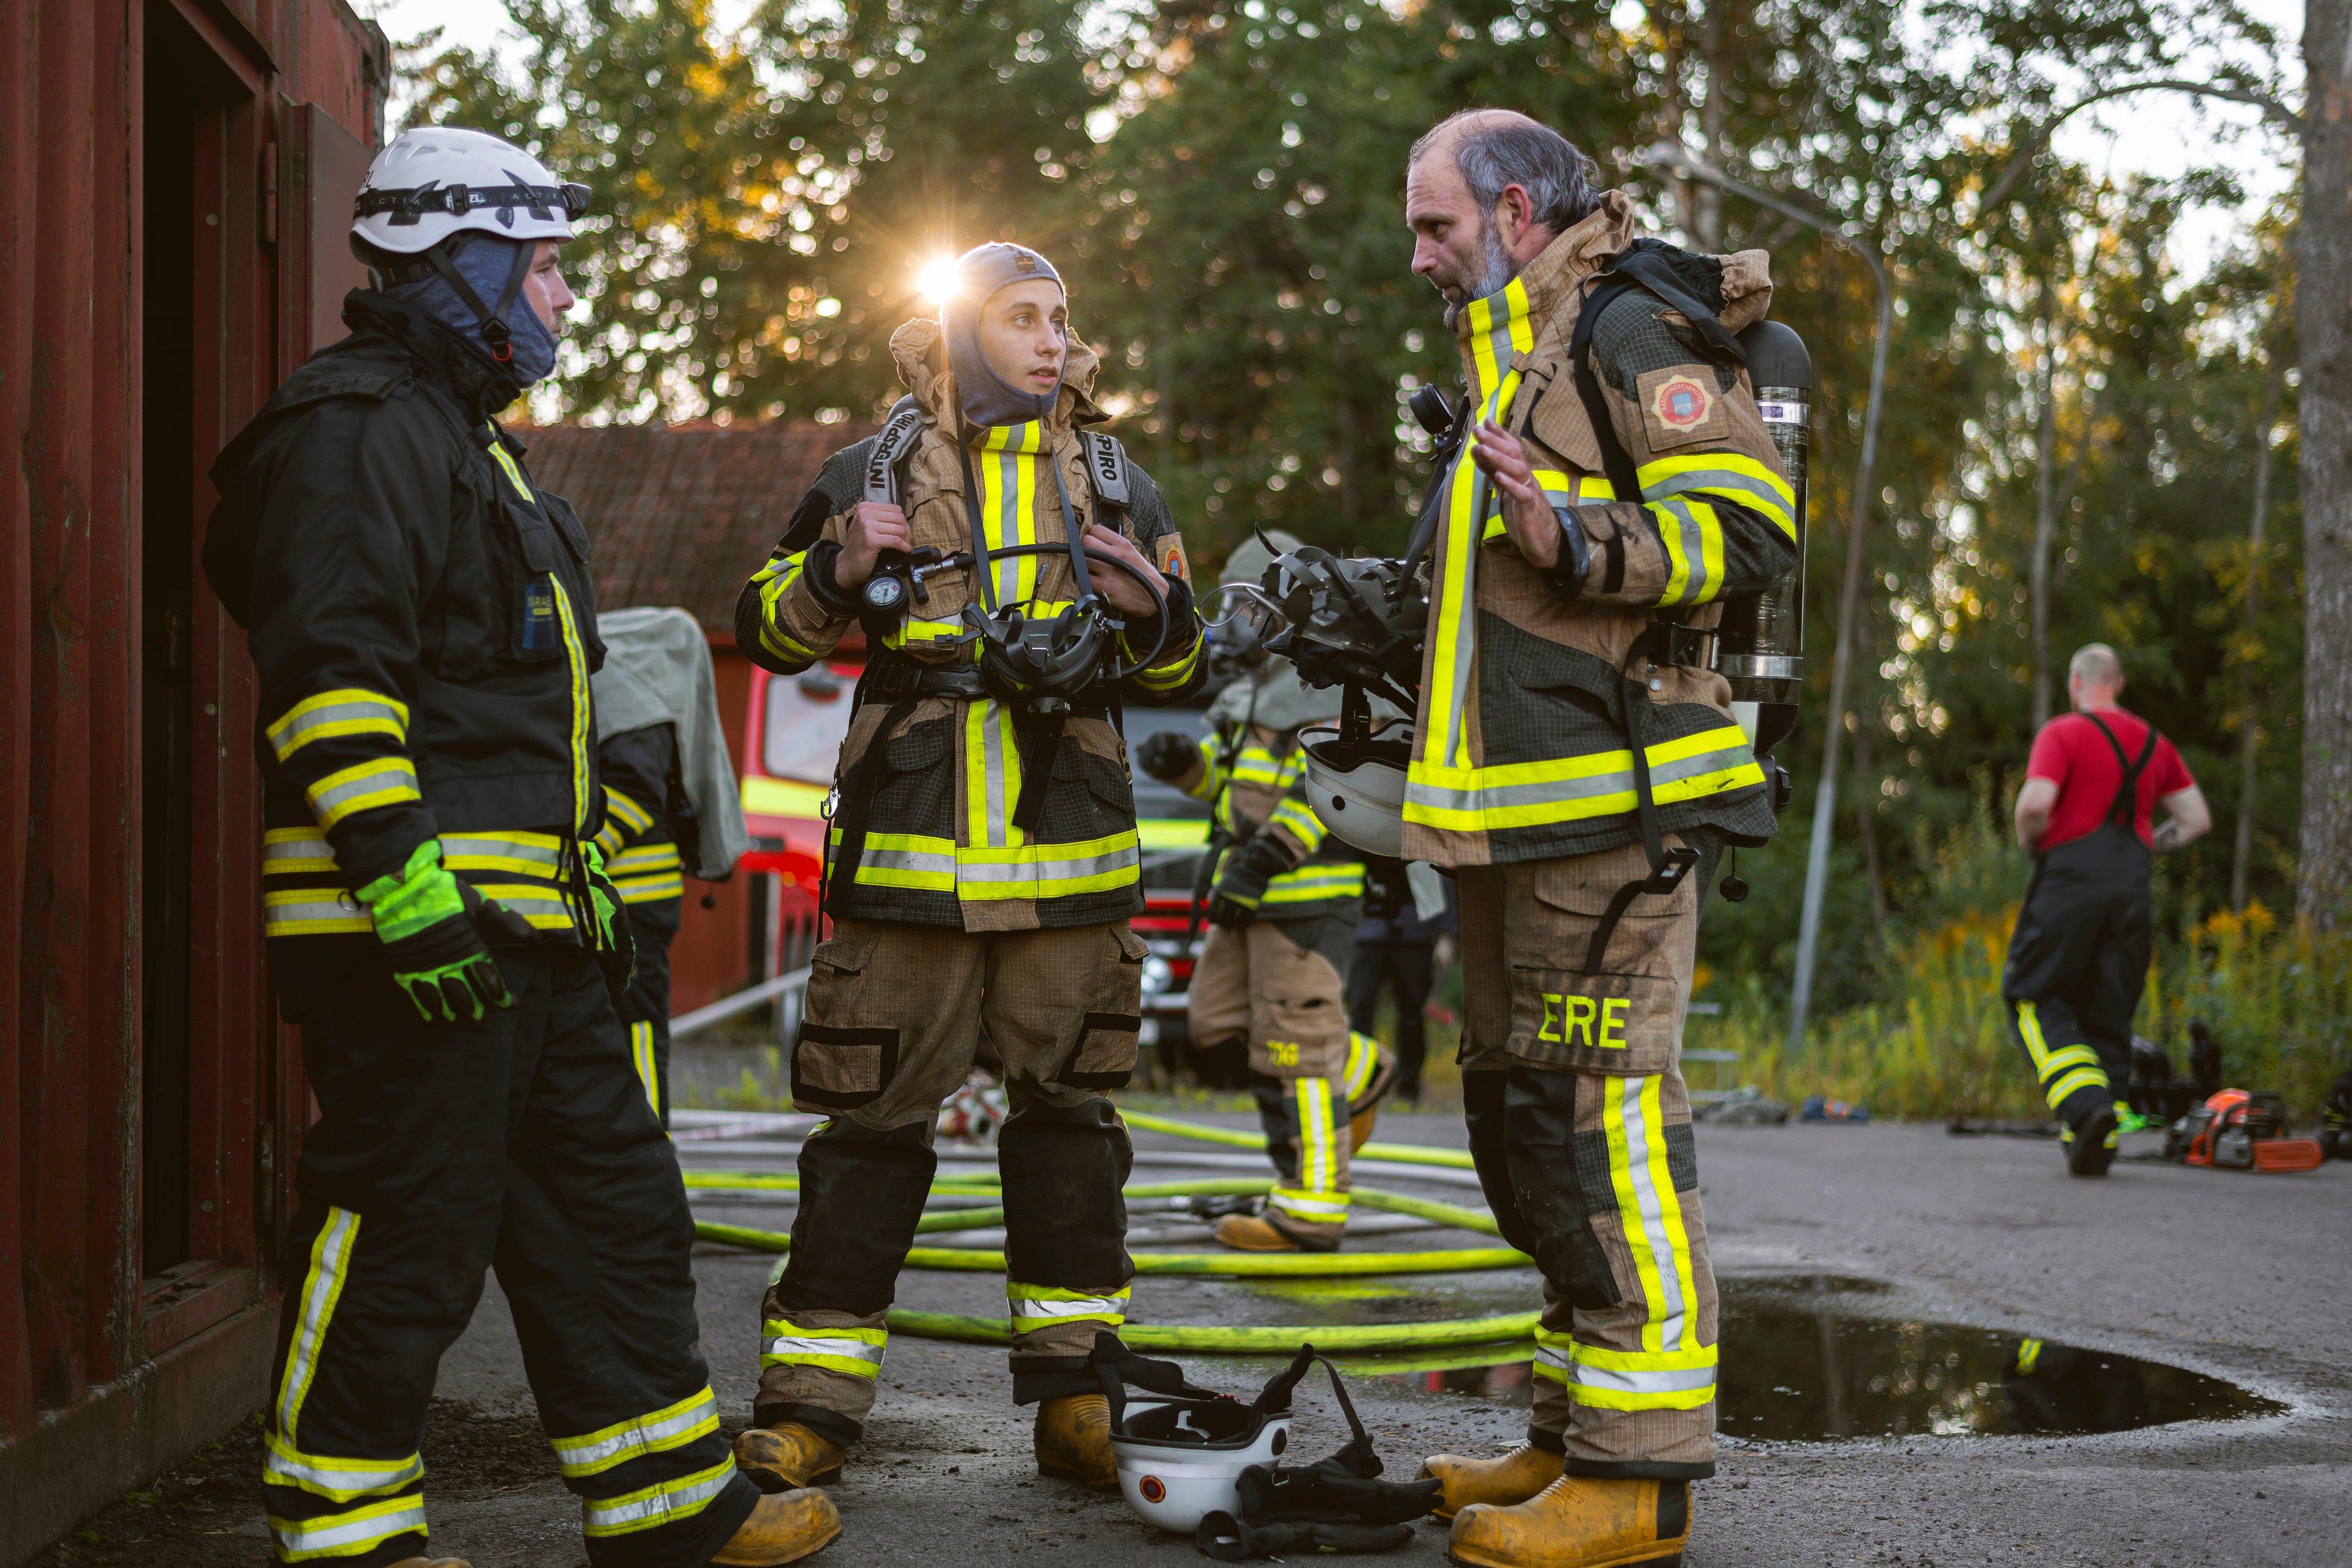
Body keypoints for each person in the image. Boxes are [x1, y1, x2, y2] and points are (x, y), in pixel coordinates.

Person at [201, 127, 826, 1568]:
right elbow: (332, 681)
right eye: (542, 267)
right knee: (405, 1228)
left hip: (530, 937)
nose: (561, 296)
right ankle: (345, 1532)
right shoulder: (357, 434)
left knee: (610, 1205)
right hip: (417, 935)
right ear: (459, 263)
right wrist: (406, 898)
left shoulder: (461, 437)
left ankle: (666, 1501)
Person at [729, 243, 1206, 1507]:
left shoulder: (1114, 483)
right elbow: (764, 632)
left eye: (1061, 318)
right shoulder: (865, 475)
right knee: (869, 1131)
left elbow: (1183, 670)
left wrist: (1152, 618)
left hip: (1068, 874)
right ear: (957, 331)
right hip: (906, 878)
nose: (1052, 340)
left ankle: (1078, 1398)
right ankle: (810, 1405)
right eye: (1021, 317)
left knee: (1069, 1129)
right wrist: (834, 571)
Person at [1393, 112, 1799, 1568]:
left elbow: (1748, 525)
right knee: (1525, 1133)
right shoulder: (1511, 352)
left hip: (1608, 823)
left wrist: (1577, 537)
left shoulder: (1626, 326)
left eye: (1433, 225)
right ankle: (1568, 1434)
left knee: (1605, 1124)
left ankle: (1639, 1479)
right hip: (1507, 829)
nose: (1418, 254)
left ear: (1511, 215)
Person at [1137, 531, 1396, 1253]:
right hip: (1247, 899)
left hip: (1304, 905)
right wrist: (1187, 770)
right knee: (1214, 1024)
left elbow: (1334, 798)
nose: (1240, 625)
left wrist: (1261, 865)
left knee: (1297, 1052)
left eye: (1255, 609)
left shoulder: (1340, 687)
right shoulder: (1254, 696)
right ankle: (1359, 1067)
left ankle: (1310, 1205)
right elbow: (1235, 798)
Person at [2006, 643, 2209, 1175]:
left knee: (2033, 996)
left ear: (2077, 682)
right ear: (2117, 683)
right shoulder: (2155, 743)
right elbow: (2195, 821)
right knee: (2109, 1008)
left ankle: (2086, 1107)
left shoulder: (2063, 732)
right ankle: (2099, 1135)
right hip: (2132, 886)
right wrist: (2151, 844)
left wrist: (2033, 844)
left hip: (2070, 881)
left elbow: (2033, 804)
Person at [593, 605, 754, 1125]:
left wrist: (579, 862)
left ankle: (645, 1144)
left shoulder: (622, 701)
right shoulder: (628, 694)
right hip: (622, 898)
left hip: (631, 902)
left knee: (636, 1027)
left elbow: (635, 790)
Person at [1346, 860, 1457, 1103]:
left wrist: (1447, 932)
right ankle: (1362, 1085)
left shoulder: (1422, 830)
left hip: (1414, 933)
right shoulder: (1363, 826)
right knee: (1361, 1011)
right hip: (1368, 932)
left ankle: (1409, 1088)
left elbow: (1440, 871)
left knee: (1412, 1014)